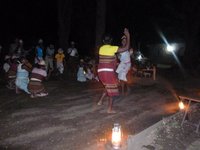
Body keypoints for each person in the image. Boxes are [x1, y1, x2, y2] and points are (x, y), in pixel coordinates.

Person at [97, 28, 130, 113]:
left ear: (103, 40)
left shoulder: (101, 49)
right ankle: (109, 109)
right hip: (108, 71)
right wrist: (128, 35)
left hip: (100, 72)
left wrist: (115, 59)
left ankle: (100, 101)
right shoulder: (113, 48)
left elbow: (112, 58)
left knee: (108, 86)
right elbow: (126, 48)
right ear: (111, 40)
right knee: (112, 90)